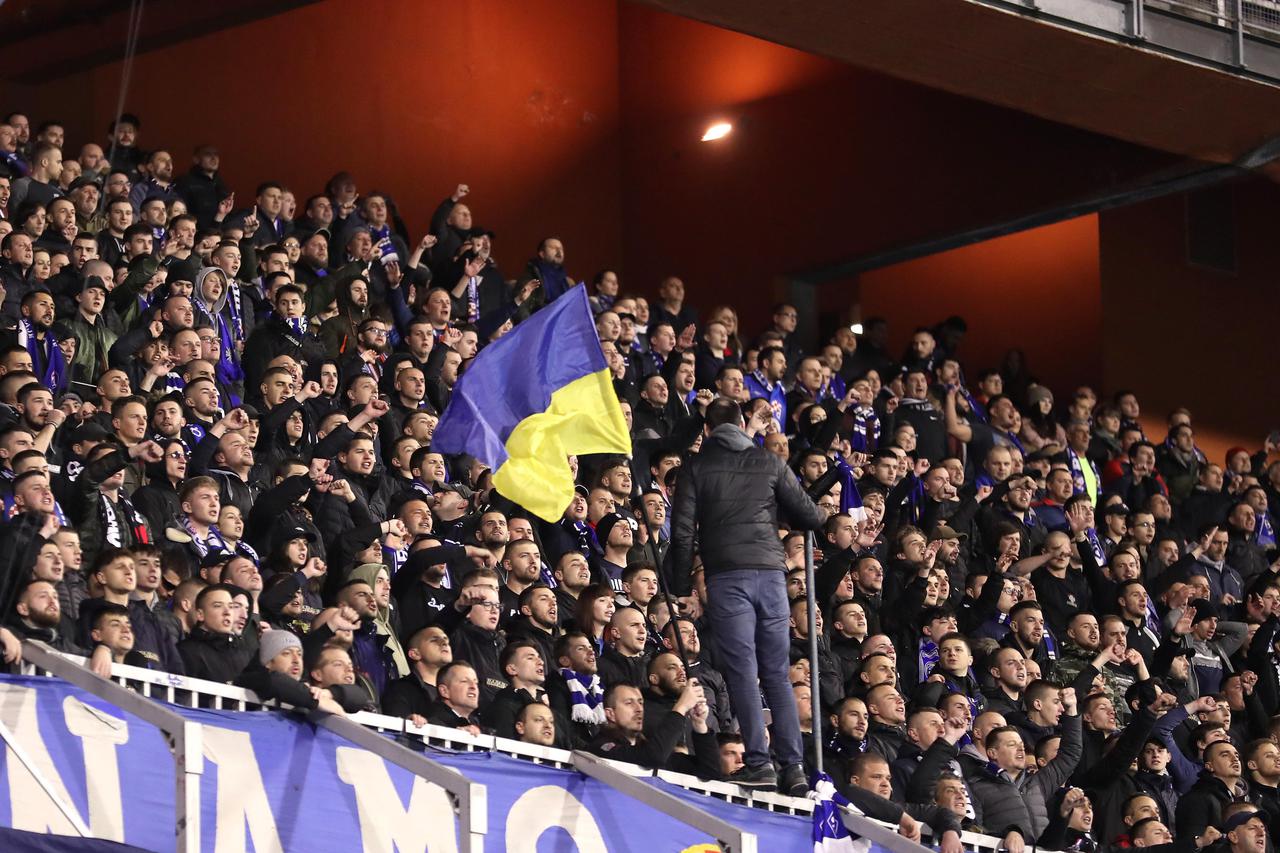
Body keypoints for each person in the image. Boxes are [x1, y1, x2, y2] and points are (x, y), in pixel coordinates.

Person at [667, 397, 828, 795]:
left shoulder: (696, 466)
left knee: (743, 672)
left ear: (707, 430)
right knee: (776, 673)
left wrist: (683, 588)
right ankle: (793, 769)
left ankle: (760, 764)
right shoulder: (769, 462)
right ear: (742, 425)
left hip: (726, 578)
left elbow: (683, 532)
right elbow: (811, 516)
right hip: (772, 577)